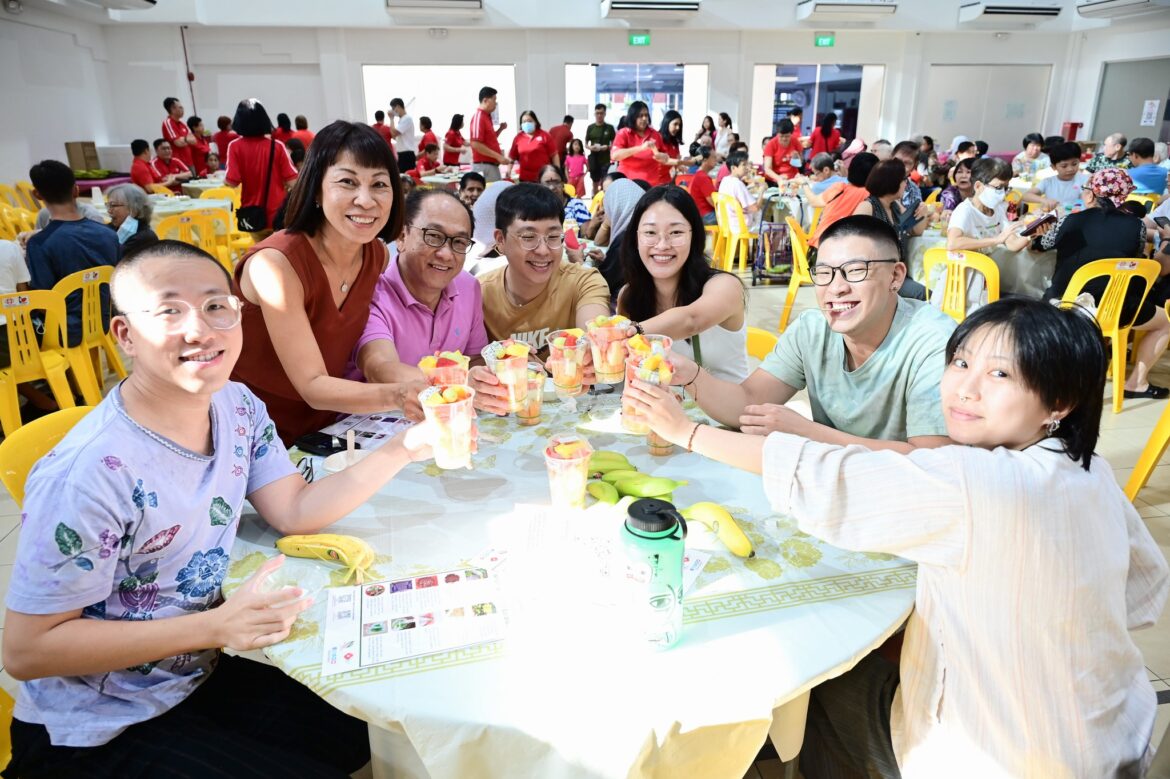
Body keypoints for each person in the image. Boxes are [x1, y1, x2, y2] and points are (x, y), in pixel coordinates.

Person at [627, 295, 1167, 779]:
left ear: (1059, 403)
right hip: (1118, 737)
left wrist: (685, 430)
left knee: (820, 678)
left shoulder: (976, 480)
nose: (965, 388)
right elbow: (1144, 594)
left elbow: (824, 475)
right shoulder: (1089, 468)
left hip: (1001, 756)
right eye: (961, 362)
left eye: (1001, 374)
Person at [2, 240, 436, 779]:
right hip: (95, 726)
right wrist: (216, 627)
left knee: (370, 718)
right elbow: (28, 651)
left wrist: (405, 447)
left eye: (215, 306)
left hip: (193, 677)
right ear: (126, 335)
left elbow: (294, 510)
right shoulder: (90, 473)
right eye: (169, 311)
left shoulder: (236, 404)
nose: (200, 330)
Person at [641, 215, 955, 452]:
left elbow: (931, 460)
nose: (837, 288)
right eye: (824, 273)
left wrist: (808, 432)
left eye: (855, 271)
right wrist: (691, 374)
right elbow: (748, 404)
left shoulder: (933, 341)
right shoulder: (812, 330)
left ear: (896, 276)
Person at [230, 119, 410, 443]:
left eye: (379, 184)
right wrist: (401, 394)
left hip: (326, 427)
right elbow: (312, 386)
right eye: (348, 182)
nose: (366, 200)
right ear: (316, 189)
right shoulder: (275, 265)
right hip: (250, 434)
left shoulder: (376, 255)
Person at [1035, 168, 1169, 399]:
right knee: (1166, 322)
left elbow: (1040, 244)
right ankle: (1136, 383)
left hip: (1063, 305)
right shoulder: (1136, 226)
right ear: (1123, 197)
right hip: (1113, 310)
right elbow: (1133, 258)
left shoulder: (1070, 220)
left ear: (1090, 194)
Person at [356, 189, 488, 415]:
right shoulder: (372, 292)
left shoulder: (468, 287)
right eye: (433, 236)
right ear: (401, 236)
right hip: (374, 424)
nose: (446, 254)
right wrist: (459, 382)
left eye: (459, 242)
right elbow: (380, 369)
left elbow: (475, 358)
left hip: (445, 422)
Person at [616, 185, 748, 382]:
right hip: (660, 401)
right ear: (635, 238)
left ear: (694, 236)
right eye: (650, 232)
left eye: (676, 232)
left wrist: (630, 333)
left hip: (729, 402)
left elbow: (691, 320)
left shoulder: (725, 285)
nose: (662, 245)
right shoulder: (630, 296)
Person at [473, 183, 609, 362]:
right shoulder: (478, 294)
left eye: (553, 237)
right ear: (500, 240)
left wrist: (590, 352)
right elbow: (471, 362)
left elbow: (595, 340)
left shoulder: (583, 282)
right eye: (528, 237)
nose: (543, 251)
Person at [26, 160, 120, 346]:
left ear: (37, 194)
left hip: (63, 331)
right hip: (105, 322)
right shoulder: (109, 234)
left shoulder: (39, 243)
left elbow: (43, 303)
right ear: (76, 190)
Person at [852, 159, 929, 300]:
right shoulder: (868, 207)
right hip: (877, 275)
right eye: (904, 180)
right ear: (892, 182)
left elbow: (916, 231)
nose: (906, 184)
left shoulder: (895, 206)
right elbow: (852, 241)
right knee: (925, 294)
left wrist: (923, 213)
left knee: (931, 289)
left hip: (895, 272)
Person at [224, 98, 299, 235]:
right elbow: (293, 182)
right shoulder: (277, 146)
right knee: (279, 247)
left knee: (259, 247)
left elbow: (232, 182)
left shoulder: (234, 147)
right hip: (279, 214)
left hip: (252, 214)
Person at [946, 157, 1030, 253]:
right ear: (978, 186)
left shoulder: (998, 209)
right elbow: (952, 243)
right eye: (998, 187)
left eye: (1005, 188)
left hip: (990, 262)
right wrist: (996, 240)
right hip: (971, 262)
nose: (1003, 193)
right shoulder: (965, 210)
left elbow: (1012, 244)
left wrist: (1031, 235)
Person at [805, 152, 879, 250]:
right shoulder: (871, 195)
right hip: (842, 249)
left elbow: (814, 202)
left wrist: (804, 184)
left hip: (818, 245)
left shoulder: (839, 187)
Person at [596, 178, 647, 296]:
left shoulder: (625, 239)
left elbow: (601, 284)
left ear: (615, 206)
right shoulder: (643, 231)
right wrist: (608, 260)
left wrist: (578, 261)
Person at [611, 101, 671, 187]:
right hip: (628, 184)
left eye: (646, 115)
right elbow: (615, 155)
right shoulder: (623, 133)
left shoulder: (655, 134)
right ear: (633, 117)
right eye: (640, 116)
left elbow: (665, 157)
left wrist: (663, 157)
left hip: (650, 185)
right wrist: (641, 148)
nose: (644, 118)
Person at [1022, 141, 1087, 211]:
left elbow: (1084, 201)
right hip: (1054, 216)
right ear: (1053, 167)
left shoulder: (1084, 180)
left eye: (1074, 164)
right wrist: (1044, 200)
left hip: (1077, 216)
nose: (1070, 169)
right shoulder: (1048, 182)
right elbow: (1026, 195)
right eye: (1064, 166)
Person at [104, 183, 159, 257]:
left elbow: (112, 259)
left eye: (113, 205)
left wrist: (120, 239)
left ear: (134, 209)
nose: (109, 211)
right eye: (108, 205)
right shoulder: (111, 228)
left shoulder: (144, 238)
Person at [470, 86, 509, 182]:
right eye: (494, 99)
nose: (496, 103)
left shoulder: (486, 117)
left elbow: (490, 139)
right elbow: (475, 144)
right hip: (484, 166)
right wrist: (498, 156)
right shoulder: (479, 116)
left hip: (490, 165)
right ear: (485, 100)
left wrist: (500, 129)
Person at [508, 110, 557, 183]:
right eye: (524, 122)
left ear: (535, 122)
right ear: (521, 124)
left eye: (529, 121)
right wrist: (508, 172)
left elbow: (554, 155)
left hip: (543, 177)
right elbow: (512, 157)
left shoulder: (545, 135)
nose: (527, 123)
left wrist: (557, 172)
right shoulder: (518, 138)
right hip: (525, 179)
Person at [538, 165, 593, 231]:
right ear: (540, 185)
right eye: (547, 183)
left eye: (556, 182)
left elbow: (586, 235)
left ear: (563, 183)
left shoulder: (577, 205)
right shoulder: (536, 208)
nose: (552, 187)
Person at [718, 151, 761, 233]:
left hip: (727, 225)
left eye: (747, 164)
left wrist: (749, 186)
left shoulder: (725, 180)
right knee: (777, 228)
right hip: (741, 227)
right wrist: (762, 191)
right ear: (733, 168)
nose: (747, 168)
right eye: (744, 165)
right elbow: (755, 208)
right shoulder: (738, 183)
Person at [585, 104, 616, 197]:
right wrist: (590, 147)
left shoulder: (609, 128)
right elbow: (586, 143)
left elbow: (614, 143)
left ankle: (604, 200)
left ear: (605, 114)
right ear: (594, 114)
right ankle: (595, 199)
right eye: (597, 113)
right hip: (594, 159)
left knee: (605, 182)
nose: (599, 115)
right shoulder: (590, 127)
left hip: (605, 160)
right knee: (594, 182)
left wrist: (607, 147)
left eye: (601, 113)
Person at [892, 140, 927, 220]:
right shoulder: (878, 183)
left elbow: (916, 219)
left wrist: (923, 211)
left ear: (914, 166)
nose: (900, 166)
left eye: (907, 163)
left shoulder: (914, 189)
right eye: (897, 160)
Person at [763, 119, 803, 184]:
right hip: (775, 179)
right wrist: (779, 178)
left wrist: (796, 157)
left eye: (787, 136)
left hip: (792, 179)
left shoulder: (795, 141)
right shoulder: (771, 144)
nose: (784, 139)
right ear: (777, 134)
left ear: (791, 134)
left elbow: (799, 164)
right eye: (781, 136)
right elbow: (767, 169)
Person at [161, 96, 196, 170]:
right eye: (180, 107)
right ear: (172, 109)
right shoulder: (168, 123)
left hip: (189, 161)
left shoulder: (182, 124)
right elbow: (178, 143)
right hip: (178, 163)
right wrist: (187, 139)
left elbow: (194, 141)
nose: (182, 109)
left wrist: (184, 139)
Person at [688, 146, 719, 225]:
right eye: (713, 157)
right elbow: (713, 202)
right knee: (734, 218)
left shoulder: (698, 175)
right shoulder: (703, 177)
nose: (716, 159)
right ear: (705, 160)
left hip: (699, 215)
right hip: (706, 216)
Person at [388, 97, 417, 172]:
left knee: (406, 177)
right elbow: (393, 136)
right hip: (402, 154)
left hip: (407, 154)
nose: (393, 111)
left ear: (398, 107)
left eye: (393, 108)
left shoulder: (407, 119)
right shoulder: (402, 120)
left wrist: (391, 119)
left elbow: (394, 133)